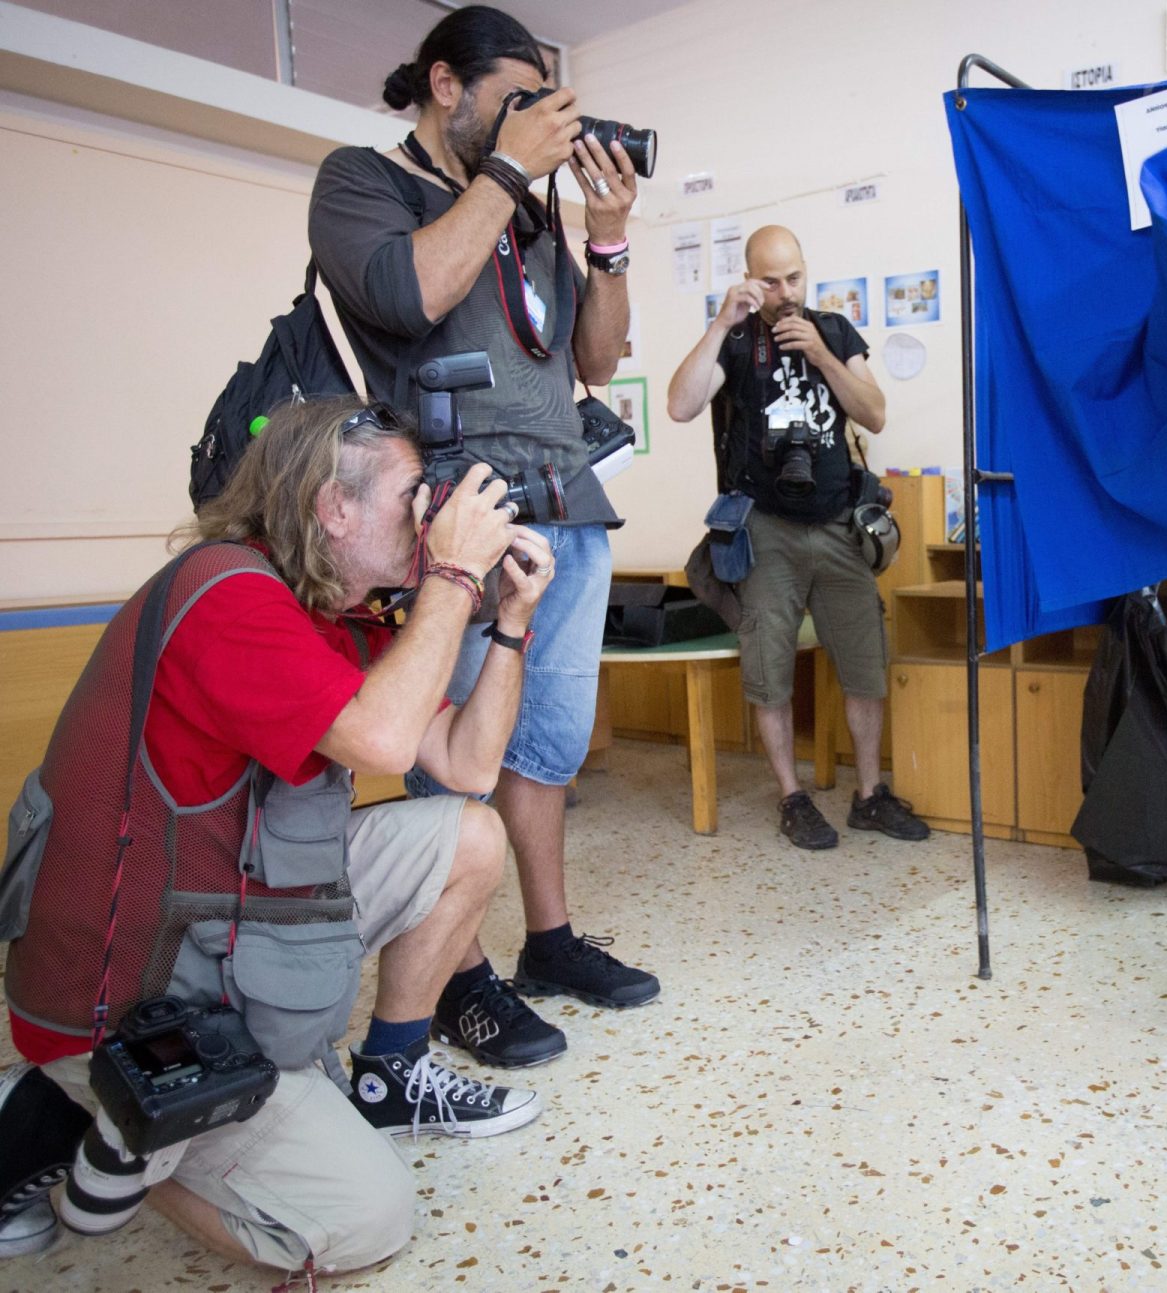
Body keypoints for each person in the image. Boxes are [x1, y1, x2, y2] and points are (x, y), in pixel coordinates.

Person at [0, 398, 546, 1271]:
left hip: (226, 914)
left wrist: (510, 620)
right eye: (414, 496)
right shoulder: (226, 594)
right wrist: (451, 577)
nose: (431, 518)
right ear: (332, 507)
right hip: (132, 991)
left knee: (468, 837)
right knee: (368, 1219)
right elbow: (380, 739)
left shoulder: (330, 610)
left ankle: (391, 1070)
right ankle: (62, 1117)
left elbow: (466, 762)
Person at [308, 5, 658, 1071]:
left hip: (566, 508)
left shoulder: (531, 217)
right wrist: (505, 173)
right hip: (454, 515)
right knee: (449, 766)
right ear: (444, 86)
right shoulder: (363, 183)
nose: (539, 125)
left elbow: (593, 363)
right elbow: (407, 295)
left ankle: (547, 942)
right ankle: (457, 978)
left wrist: (605, 238)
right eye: (517, 101)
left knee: (545, 751)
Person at [666, 227, 930, 849]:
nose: (784, 293)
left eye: (793, 279)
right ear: (750, 279)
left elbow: (874, 412)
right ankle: (791, 795)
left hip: (838, 525)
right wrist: (718, 324)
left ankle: (870, 795)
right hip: (765, 531)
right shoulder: (733, 341)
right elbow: (679, 406)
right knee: (769, 672)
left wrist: (821, 355)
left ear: (807, 273)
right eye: (769, 281)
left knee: (865, 666)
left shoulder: (834, 332)